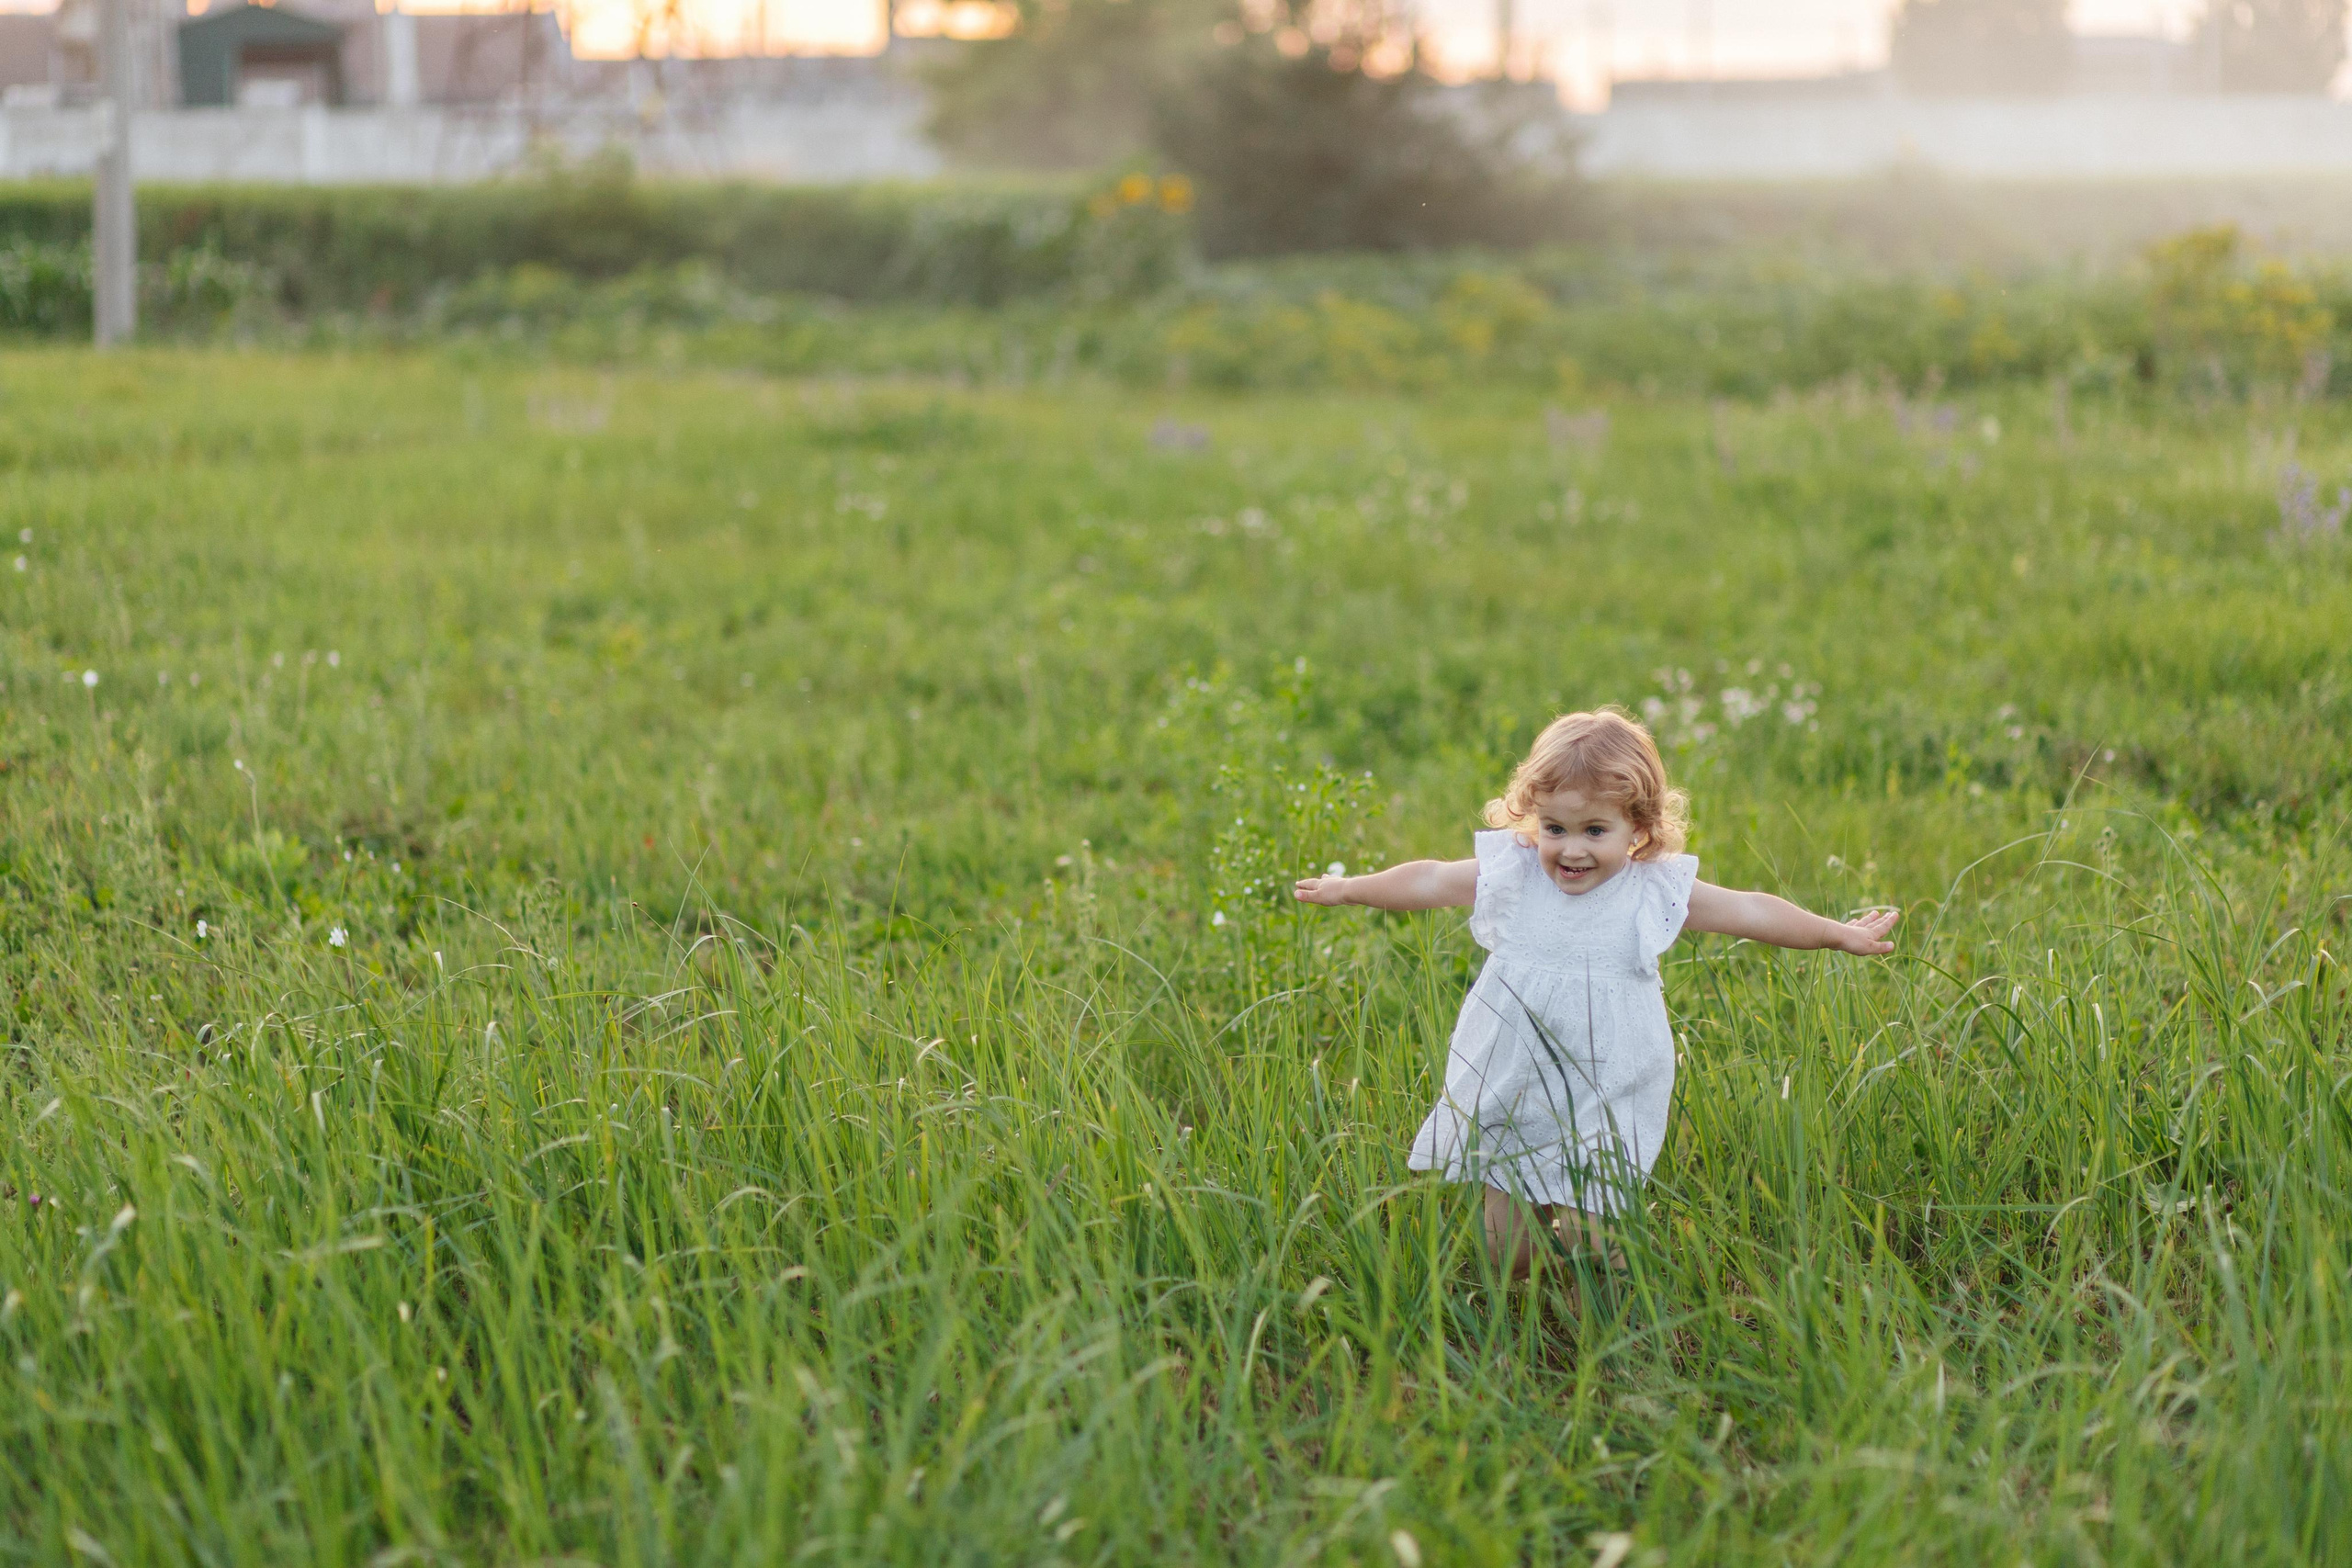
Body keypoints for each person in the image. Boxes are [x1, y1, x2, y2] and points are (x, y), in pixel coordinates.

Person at [1293, 707, 1898, 1280]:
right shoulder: (1517, 869)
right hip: (1517, 1078)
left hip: (1611, 1085)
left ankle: (1603, 1339)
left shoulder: (1649, 888)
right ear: (1533, 816)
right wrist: (1350, 889)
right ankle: (1521, 1329)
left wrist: (1834, 935)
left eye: (1595, 830)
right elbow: (1430, 876)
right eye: (1555, 826)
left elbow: (1749, 910)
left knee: (1595, 1238)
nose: (1572, 848)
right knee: (1509, 1252)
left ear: (1639, 828)